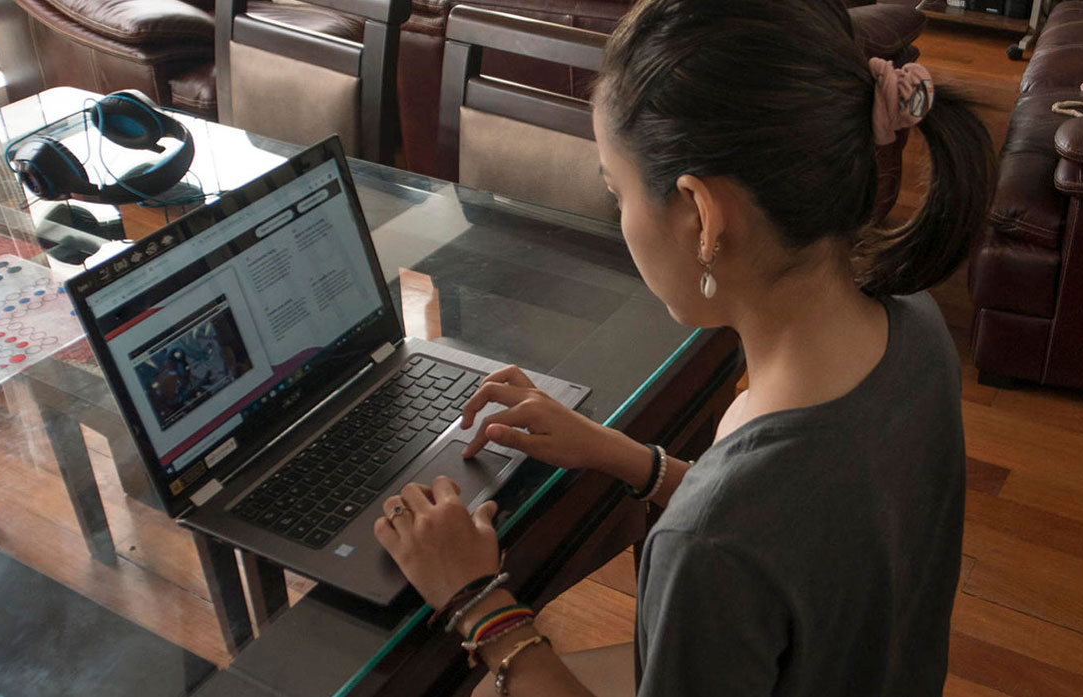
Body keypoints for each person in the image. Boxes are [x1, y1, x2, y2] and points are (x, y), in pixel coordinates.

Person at [372, 0, 995, 694]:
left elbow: (745, 531)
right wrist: (619, 452)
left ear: (701, 215)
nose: (621, 220)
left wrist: (479, 604)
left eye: (617, 191)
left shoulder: (710, 543)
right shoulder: (916, 330)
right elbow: (803, 531)